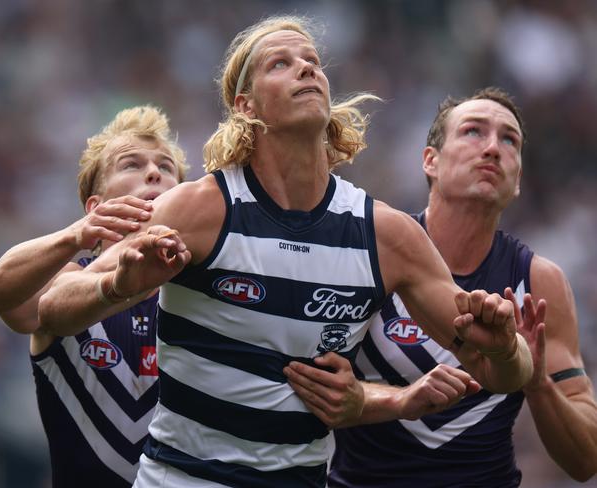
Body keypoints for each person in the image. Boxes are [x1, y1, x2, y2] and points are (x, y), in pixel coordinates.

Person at [38, 17, 533, 488]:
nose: (307, 68)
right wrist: (115, 284)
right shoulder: (199, 208)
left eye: (313, 61)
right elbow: (55, 305)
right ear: (246, 106)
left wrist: (504, 345)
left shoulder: (385, 234)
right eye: (280, 63)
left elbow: (501, 373)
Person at [284, 87, 597, 486]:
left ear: (517, 180)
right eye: (472, 132)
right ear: (430, 161)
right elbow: (307, 385)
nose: (492, 148)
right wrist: (398, 401)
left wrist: (536, 382)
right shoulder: (372, 252)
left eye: (509, 139)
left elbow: (586, 458)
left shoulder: (538, 282)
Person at [0, 105, 189, 487]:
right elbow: (0, 294)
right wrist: (76, 235)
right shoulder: (66, 283)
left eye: (166, 166)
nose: (154, 172)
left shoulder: (198, 296)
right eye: (131, 165)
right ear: (96, 206)